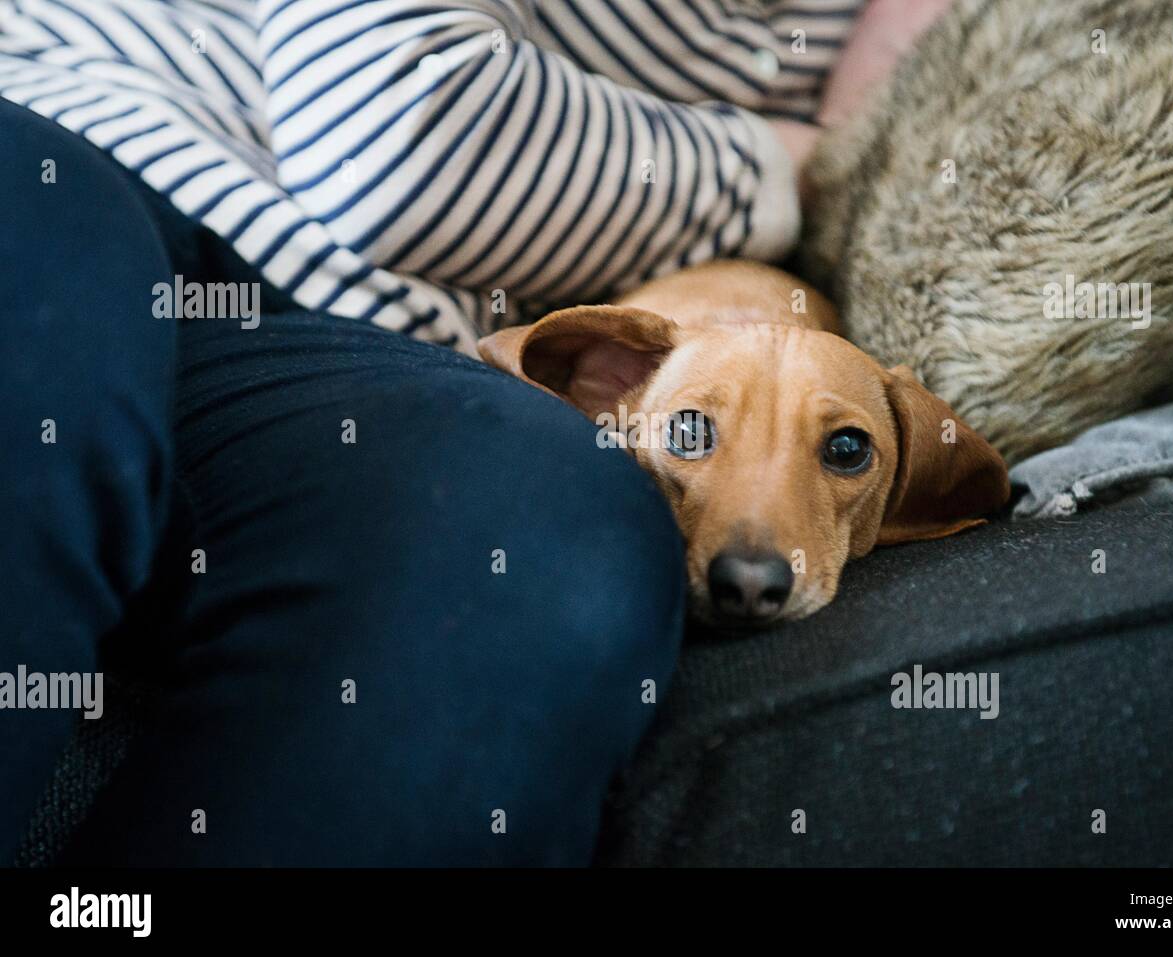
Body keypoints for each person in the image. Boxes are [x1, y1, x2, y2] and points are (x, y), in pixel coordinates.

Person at [0, 0, 952, 865]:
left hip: (369, 361)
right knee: (49, 298)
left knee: (552, 534)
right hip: (76, 149)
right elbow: (391, 128)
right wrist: (795, 158)